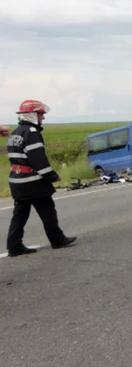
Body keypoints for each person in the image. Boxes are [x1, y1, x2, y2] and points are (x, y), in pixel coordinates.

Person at [6, 100, 77, 257]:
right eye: (40, 115)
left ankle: (14, 246)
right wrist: (52, 176)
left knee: (20, 214)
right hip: (32, 181)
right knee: (47, 211)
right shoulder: (32, 133)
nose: (42, 118)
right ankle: (57, 239)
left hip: (17, 181)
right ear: (32, 115)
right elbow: (38, 160)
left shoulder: (16, 133)